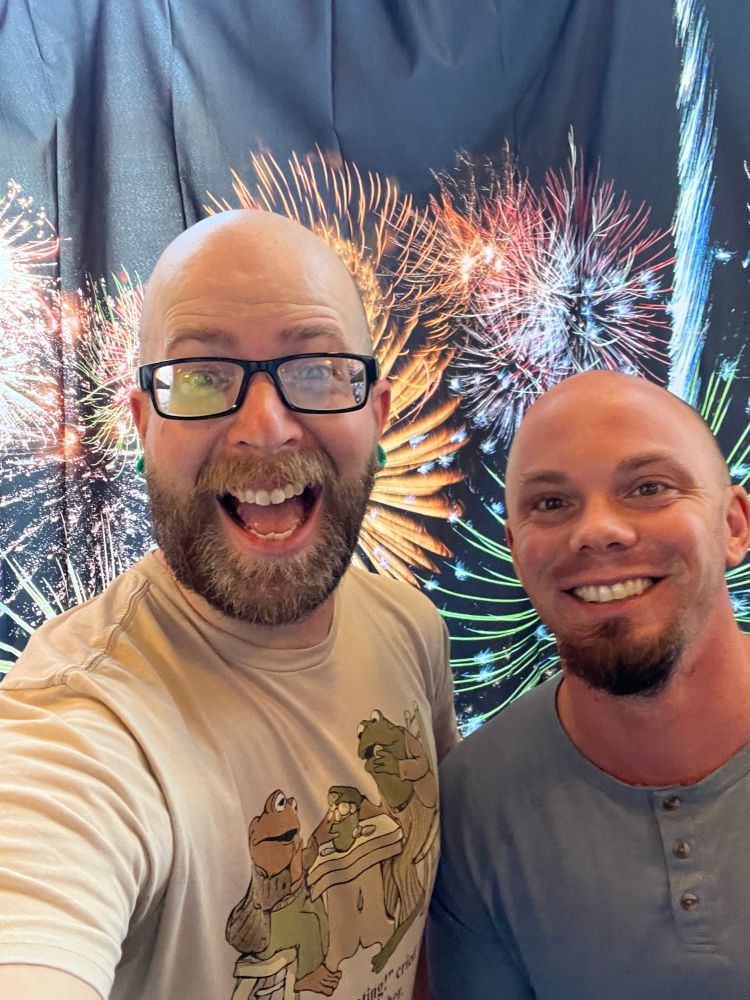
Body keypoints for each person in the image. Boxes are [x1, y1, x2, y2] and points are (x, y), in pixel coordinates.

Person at [0, 210, 458, 1000]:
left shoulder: (409, 630)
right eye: (202, 376)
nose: (265, 429)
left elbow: (414, 915)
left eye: (316, 369)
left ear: (377, 413)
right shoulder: (75, 724)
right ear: (143, 425)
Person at [428, 370, 750, 1000]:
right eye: (552, 503)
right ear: (517, 550)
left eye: (649, 488)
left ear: (734, 525)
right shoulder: (475, 805)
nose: (598, 530)